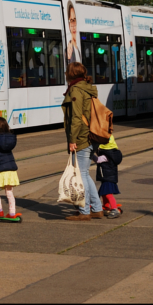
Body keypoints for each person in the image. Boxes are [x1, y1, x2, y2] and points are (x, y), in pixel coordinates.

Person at [61, 61, 103, 220]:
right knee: (84, 174)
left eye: (67, 72)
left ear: (71, 74)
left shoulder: (76, 90)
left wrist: (72, 140)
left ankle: (85, 211)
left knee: (81, 175)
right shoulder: (87, 87)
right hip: (90, 135)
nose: (65, 74)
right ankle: (97, 209)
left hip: (82, 137)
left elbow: (77, 118)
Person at [94, 133, 123, 218]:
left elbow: (99, 160)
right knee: (104, 193)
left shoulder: (107, 155)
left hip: (108, 178)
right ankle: (106, 206)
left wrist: (91, 155)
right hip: (107, 177)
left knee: (108, 194)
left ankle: (114, 208)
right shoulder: (112, 154)